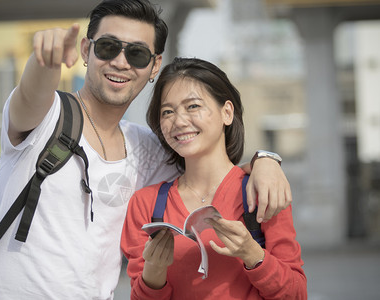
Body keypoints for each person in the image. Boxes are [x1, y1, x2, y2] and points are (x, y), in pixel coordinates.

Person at [0, 1, 292, 299]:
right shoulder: (47, 116)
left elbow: (207, 165)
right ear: (86, 50)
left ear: (154, 65)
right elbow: (31, 95)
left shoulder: (149, 150)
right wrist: (44, 60)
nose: (120, 62)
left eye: (137, 54)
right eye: (108, 47)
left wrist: (266, 159)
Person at [121, 57, 307, 299]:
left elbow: (297, 294)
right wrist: (154, 273)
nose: (179, 121)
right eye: (167, 111)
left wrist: (252, 254)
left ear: (226, 112)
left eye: (193, 106)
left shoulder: (262, 190)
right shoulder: (145, 204)